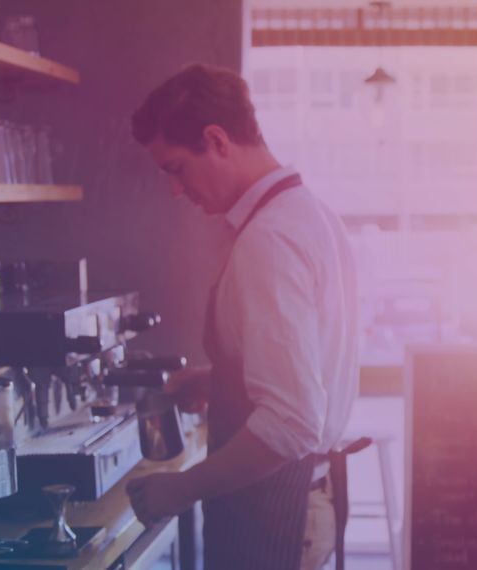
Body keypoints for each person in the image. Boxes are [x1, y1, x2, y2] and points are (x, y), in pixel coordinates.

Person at [124, 63, 359, 570]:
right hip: (311, 496)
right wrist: (221, 379)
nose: (176, 191)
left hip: (277, 505)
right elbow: (310, 370)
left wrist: (180, 489)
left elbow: (293, 423)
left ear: (217, 140)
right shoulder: (313, 214)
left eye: (176, 168)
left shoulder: (269, 240)